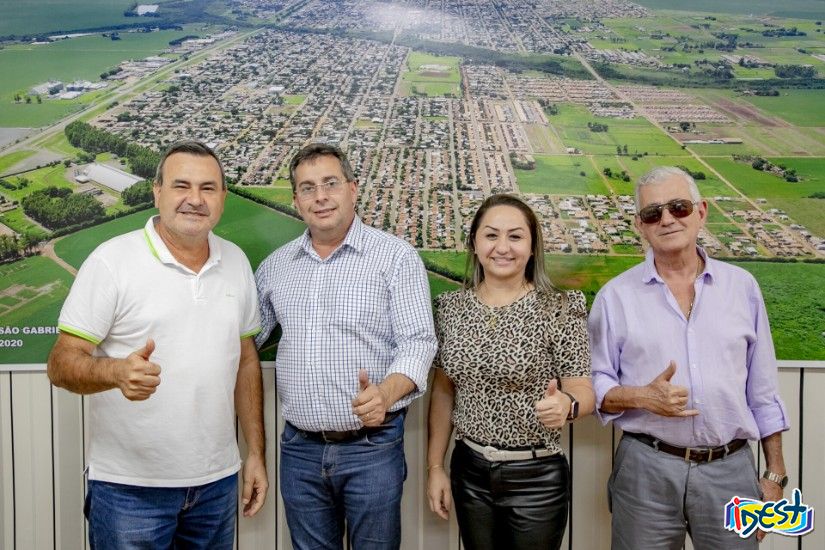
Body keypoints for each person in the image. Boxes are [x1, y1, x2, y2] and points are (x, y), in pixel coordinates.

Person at [47, 140, 268, 549]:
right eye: (181, 186)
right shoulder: (112, 261)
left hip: (217, 486)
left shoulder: (235, 261)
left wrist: (255, 453)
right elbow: (61, 362)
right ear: (157, 192)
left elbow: (246, 362)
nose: (194, 200)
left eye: (207, 188)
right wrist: (114, 371)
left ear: (222, 197)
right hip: (130, 491)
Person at [588, 166, 790, 549]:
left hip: (731, 471)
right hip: (645, 466)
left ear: (701, 212)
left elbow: (762, 390)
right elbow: (594, 380)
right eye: (653, 213)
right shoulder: (615, 297)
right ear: (641, 226)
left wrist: (775, 473)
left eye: (678, 207)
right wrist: (639, 397)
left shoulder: (742, 287)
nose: (666, 219)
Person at [254, 143, 437, 550]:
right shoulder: (275, 267)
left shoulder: (395, 257)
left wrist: (385, 393)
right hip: (298, 450)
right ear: (296, 201)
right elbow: (244, 343)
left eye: (330, 184)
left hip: (372, 447)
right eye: (307, 187)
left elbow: (420, 341)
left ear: (353, 189)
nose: (320, 196)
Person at [426, 193, 594, 550]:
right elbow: (443, 391)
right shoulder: (451, 308)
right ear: (474, 243)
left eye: (515, 236)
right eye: (491, 235)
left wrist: (567, 405)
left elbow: (583, 390)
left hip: (536, 477)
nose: (503, 247)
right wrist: (435, 468)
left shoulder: (559, 307)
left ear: (533, 247)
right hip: (468, 470)